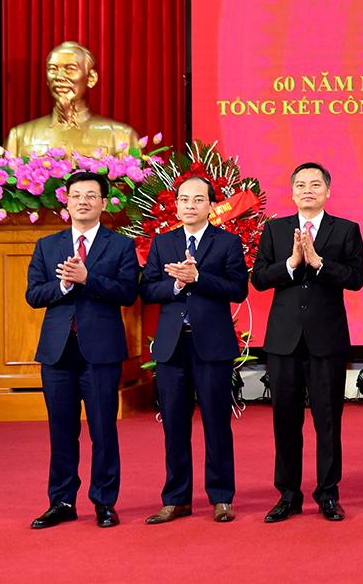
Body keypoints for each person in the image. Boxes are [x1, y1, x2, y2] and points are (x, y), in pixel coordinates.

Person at [251, 162, 363, 523]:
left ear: (328, 191)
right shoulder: (275, 229)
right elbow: (259, 279)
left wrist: (318, 262)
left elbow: (356, 279)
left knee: (327, 421)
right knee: (285, 420)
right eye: (300, 185)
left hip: (326, 340)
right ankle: (288, 494)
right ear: (292, 192)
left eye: (315, 184)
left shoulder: (346, 229)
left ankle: (328, 494)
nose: (308, 190)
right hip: (283, 340)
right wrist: (291, 262)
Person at [25, 171, 139, 528]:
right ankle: (61, 501)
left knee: (103, 429)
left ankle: (104, 501)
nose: (83, 201)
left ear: (103, 203)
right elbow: (33, 295)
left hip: (101, 351)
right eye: (76, 195)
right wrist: (62, 285)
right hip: (57, 351)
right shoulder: (47, 246)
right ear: (67, 202)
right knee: (61, 430)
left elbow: (128, 293)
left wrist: (89, 279)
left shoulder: (120, 245)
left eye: (91, 195)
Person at [141, 176, 249, 523]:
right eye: (184, 199)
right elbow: (148, 289)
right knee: (174, 425)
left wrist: (198, 278)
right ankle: (176, 499)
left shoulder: (227, 242)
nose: (190, 205)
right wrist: (175, 283)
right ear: (176, 205)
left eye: (198, 199)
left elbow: (238, 289)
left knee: (216, 423)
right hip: (172, 345)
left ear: (211, 205)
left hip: (212, 345)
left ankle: (221, 497)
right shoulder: (163, 242)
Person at [5, 41, 138, 157]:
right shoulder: (19, 136)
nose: (59, 77)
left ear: (91, 78)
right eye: (53, 69)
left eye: (70, 69)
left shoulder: (121, 136)